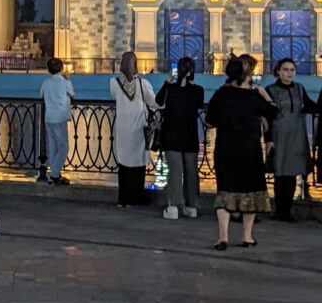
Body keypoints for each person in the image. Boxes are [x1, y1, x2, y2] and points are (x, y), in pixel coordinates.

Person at [205, 55, 276, 250]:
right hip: (249, 150)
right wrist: (264, 94)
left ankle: (223, 237)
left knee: (225, 191)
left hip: (225, 148)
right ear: (247, 75)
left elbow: (210, 120)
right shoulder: (254, 96)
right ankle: (246, 236)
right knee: (251, 191)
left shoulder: (221, 94)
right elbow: (274, 112)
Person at [265, 58, 314, 222]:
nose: (289, 73)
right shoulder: (270, 90)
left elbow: (308, 105)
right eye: (285, 69)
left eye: (292, 70)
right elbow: (267, 117)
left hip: (296, 135)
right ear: (278, 71)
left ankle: (287, 210)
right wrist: (268, 139)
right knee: (280, 173)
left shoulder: (299, 89)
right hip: (279, 136)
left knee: (292, 173)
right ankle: (279, 210)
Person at [155, 56, 204, 220]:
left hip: (171, 135)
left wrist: (168, 82)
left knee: (175, 172)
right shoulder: (198, 91)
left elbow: (158, 101)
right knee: (191, 172)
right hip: (190, 136)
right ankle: (192, 206)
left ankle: (174, 206)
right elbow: (199, 106)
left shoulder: (170, 89)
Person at [110, 52, 157, 207]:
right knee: (138, 165)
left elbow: (115, 97)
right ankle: (135, 198)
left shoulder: (114, 83)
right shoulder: (143, 84)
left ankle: (122, 199)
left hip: (123, 129)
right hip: (139, 128)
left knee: (124, 164)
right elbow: (154, 102)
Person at [40, 57, 75, 185]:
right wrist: (68, 80)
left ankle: (53, 173)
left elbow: (41, 95)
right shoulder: (64, 82)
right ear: (62, 68)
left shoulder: (46, 82)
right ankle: (55, 174)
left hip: (48, 117)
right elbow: (72, 94)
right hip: (60, 117)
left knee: (53, 147)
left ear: (48, 70)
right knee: (63, 147)